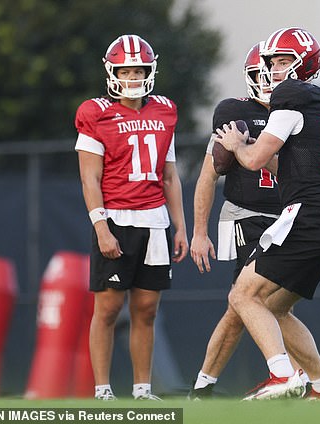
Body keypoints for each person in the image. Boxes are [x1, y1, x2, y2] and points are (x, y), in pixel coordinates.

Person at [216, 27, 320, 401]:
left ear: (304, 63)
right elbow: (284, 167)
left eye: (284, 61)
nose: (275, 70)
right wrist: (253, 150)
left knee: (242, 295)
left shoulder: (291, 94)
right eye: (272, 62)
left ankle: (283, 375)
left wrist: (238, 145)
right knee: (273, 306)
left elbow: (256, 160)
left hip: (306, 215)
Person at [75, 34, 188, 401]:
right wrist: (101, 227)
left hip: (154, 221)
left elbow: (169, 176)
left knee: (147, 310)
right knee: (107, 308)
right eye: (126, 70)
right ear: (113, 73)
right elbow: (89, 177)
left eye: (139, 70)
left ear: (150, 70)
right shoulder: (95, 112)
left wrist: (180, 227)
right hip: (117, 220)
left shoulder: (165, 110)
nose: (133, 77)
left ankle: (143, 388)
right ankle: (103, 389)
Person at [187, 42, 284, 399]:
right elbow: (208, 175)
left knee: (245, 304)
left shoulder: (299, 112)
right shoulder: (235, 111)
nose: (270, 81)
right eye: (262, 74)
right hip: (249, 217)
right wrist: (199, 231)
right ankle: (296, 376)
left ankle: (202, 388)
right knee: (253, 300)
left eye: (275, 72)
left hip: (288, 218)